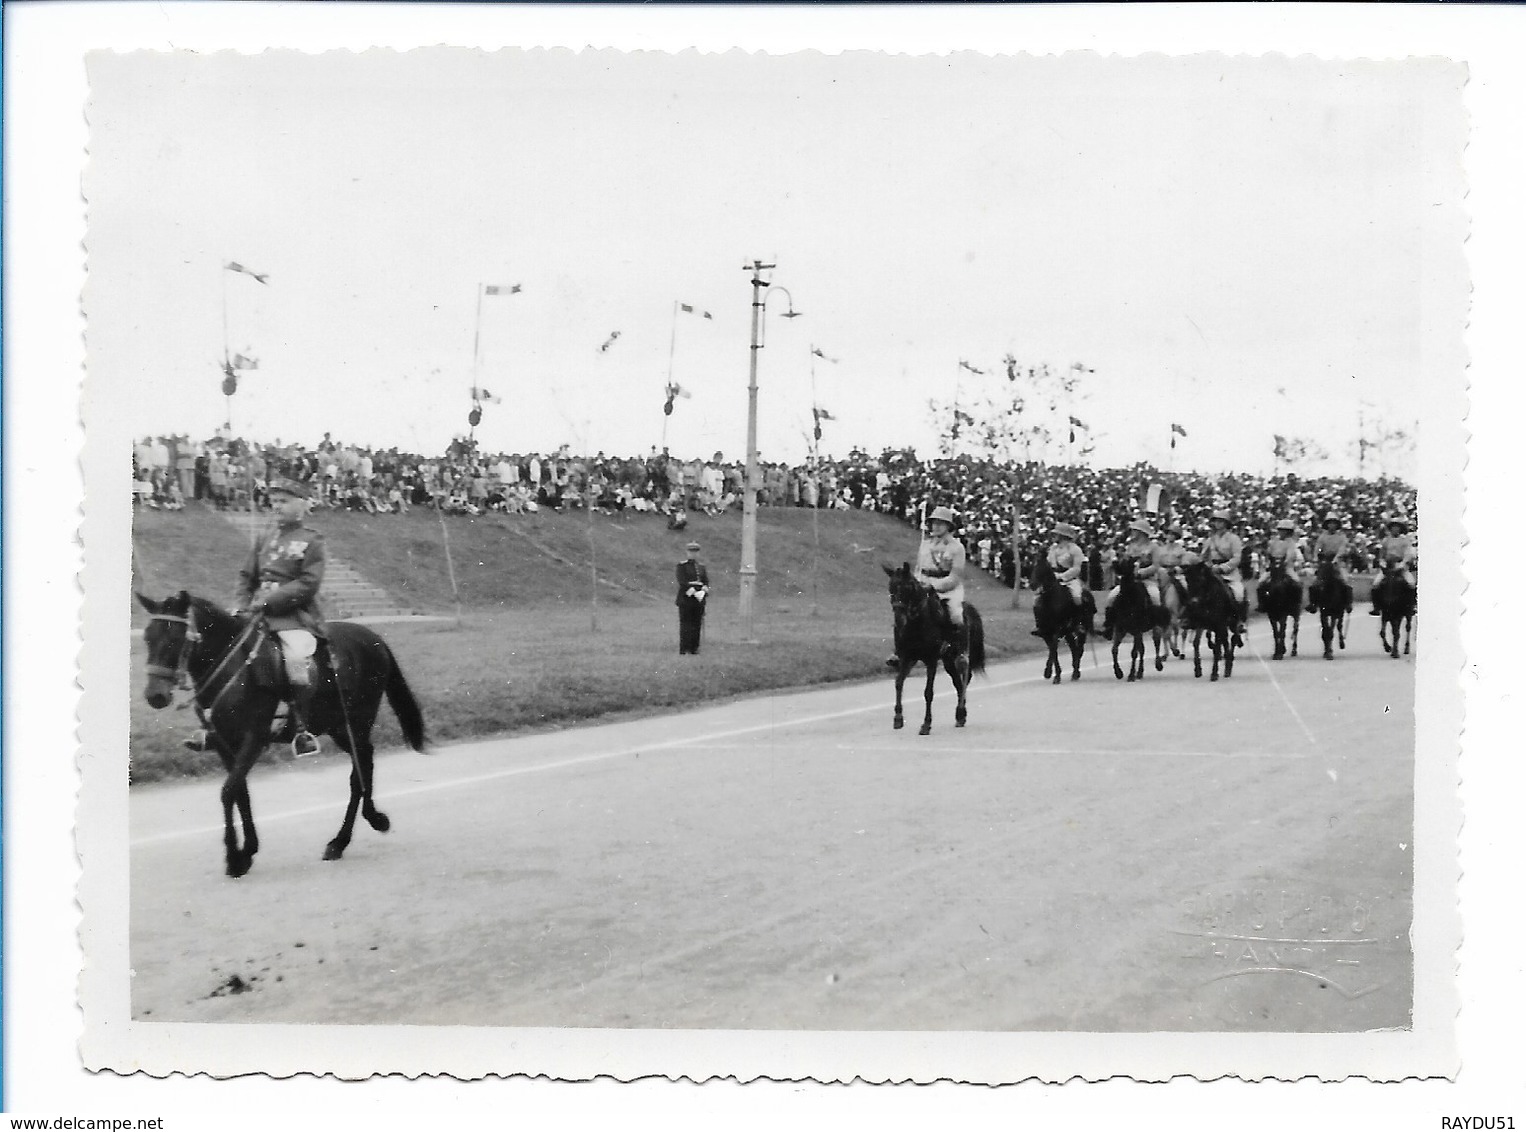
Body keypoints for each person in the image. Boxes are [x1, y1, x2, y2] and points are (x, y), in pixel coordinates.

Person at [183, 477, 328, 757]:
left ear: (301, 505)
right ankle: (213, 727)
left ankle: (300, 727)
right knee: (221, 656)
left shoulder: (312, 540)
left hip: (293, 617)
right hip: (255, 615)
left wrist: (267, 601)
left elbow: (308, 583)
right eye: (274, 502)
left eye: (284, 501)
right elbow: (246, 576)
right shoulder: (264, 537)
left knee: (297, 659)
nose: (277, 507)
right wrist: (240, 604)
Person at [1030, 519, 1094, 637]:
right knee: (1037, 598)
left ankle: (1079, 624)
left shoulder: (1075, 549)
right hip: (1053, 578)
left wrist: (1062, 576)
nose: (1054, 536)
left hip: (1071, 579)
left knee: (1077, 597)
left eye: (1056, 534)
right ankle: (1040, 625)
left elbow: (1076, 568)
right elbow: (1049, 563)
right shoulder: (1053, 549)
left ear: (1063, 535)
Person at [1102, 519, 1163, 635]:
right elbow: (1126, 561)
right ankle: (1109, 626)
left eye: (1135, 530)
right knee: (1111, 597)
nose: (1132, 532)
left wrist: (1141, 572)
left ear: (1141, 532)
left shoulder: (1154, 547)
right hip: (1130, 580)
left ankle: (1158, 624)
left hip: (1148, 580)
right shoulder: (1131, 546)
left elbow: (1156, 565)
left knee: (1155, 597)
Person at [1199, 508, 1248, 645]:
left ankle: (1239, 621)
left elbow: (1237, 557)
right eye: (1215, 521)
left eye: (1220, 521)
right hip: (1212, 572)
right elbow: (1203, 557)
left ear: (1226, 523)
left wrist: (1223, 568)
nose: (1217, 524)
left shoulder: (1234, 539)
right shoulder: (1210, 540)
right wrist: (1208, 567)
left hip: (1229, 573)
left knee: (1238, 594)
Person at [1305, 512, 1354, 616]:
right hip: (1324, 561)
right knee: (1314, 583)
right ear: (1327, 525)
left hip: (1338, 562)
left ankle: (1348, 604)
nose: (1332, 525)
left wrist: (1336, 558)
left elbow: (1342, 549)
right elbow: (1318, 547)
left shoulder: (1341, 537)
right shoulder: (1322, 537)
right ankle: (1313, 603)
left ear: (1337, 525)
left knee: (1345, 581)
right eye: (1330, 523)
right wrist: (1315, 556)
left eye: (1334, 523)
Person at [1370, 514, 1418, 615]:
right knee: (1376, 584)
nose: (1395, 529)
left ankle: (1411, 606)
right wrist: (1382, 563)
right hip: (1388, 566)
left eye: (1397, 527)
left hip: (1400, 565)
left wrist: (1403, 563)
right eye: (1393, 527)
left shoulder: (1405, 540)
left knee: (1411, 583)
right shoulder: (1386, 540)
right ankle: (1376, 607)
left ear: (1400, 528)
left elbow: (1408, 554)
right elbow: (1382, 555)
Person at [1256, 519, 1307, 611]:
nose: (1282, 532)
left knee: (1297, 582)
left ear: (1289, 532)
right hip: (1273, 566)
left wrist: (1286, 561)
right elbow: (1269, 553)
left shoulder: (1291, 542)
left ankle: (1296, 604)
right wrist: (1268, 562)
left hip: (1286, 567)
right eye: (1281, 530)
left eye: (1285, 530)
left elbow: (1290, 553)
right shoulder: (1273, 541)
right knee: (1260, 582)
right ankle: (1262, 604)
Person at [676, 540, 709, 655]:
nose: (693, 554)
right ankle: (684, 648)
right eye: (691, 551)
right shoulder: (682, 566)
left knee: (696, 624)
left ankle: (694, 647)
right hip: (686, 598)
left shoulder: (701, 567)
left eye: (695, 552)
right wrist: (693, 591)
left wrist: (705, 589)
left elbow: (705, 581)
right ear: (687, 552)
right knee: (686, 624)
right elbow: (682, 581)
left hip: (698, 599)